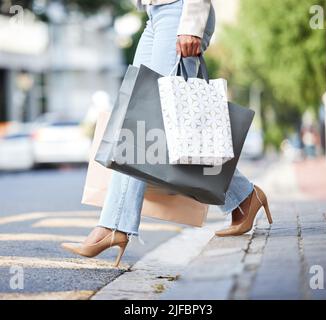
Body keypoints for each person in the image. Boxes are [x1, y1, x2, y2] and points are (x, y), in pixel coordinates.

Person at [61, 0, 272, 267]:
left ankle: (114, 225)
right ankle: (244, 197)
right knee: (141, 117)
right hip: (155, 15)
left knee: (145, 121)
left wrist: (192, 24)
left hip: (179, 12)